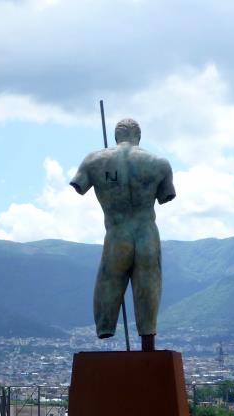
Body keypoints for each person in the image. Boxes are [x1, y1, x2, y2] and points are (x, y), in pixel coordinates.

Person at [70, 118, 176, 352]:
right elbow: (165, 196)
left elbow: (79, 185)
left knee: (109, 279)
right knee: (149, 283)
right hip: (146, 234)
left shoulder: (94, 161)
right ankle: (147, 336)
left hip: (117, 235)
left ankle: (105, 327)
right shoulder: (159, 163)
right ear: (139, 136)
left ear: (116, 136)